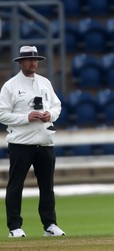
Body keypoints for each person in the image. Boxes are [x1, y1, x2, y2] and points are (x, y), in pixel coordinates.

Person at [0, 46, 65, 238]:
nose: (33, 63)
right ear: (21, 62)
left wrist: (49, 115)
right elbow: (2, 114)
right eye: (29, 60)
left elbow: (56, 106)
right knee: (16, 185)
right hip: (21, 144)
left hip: (45, 142)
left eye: (36, 59)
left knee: (47, 187)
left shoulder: (45, 83)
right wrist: (26, 117)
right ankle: (14, 227)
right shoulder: (10, 86)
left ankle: (50, 225)